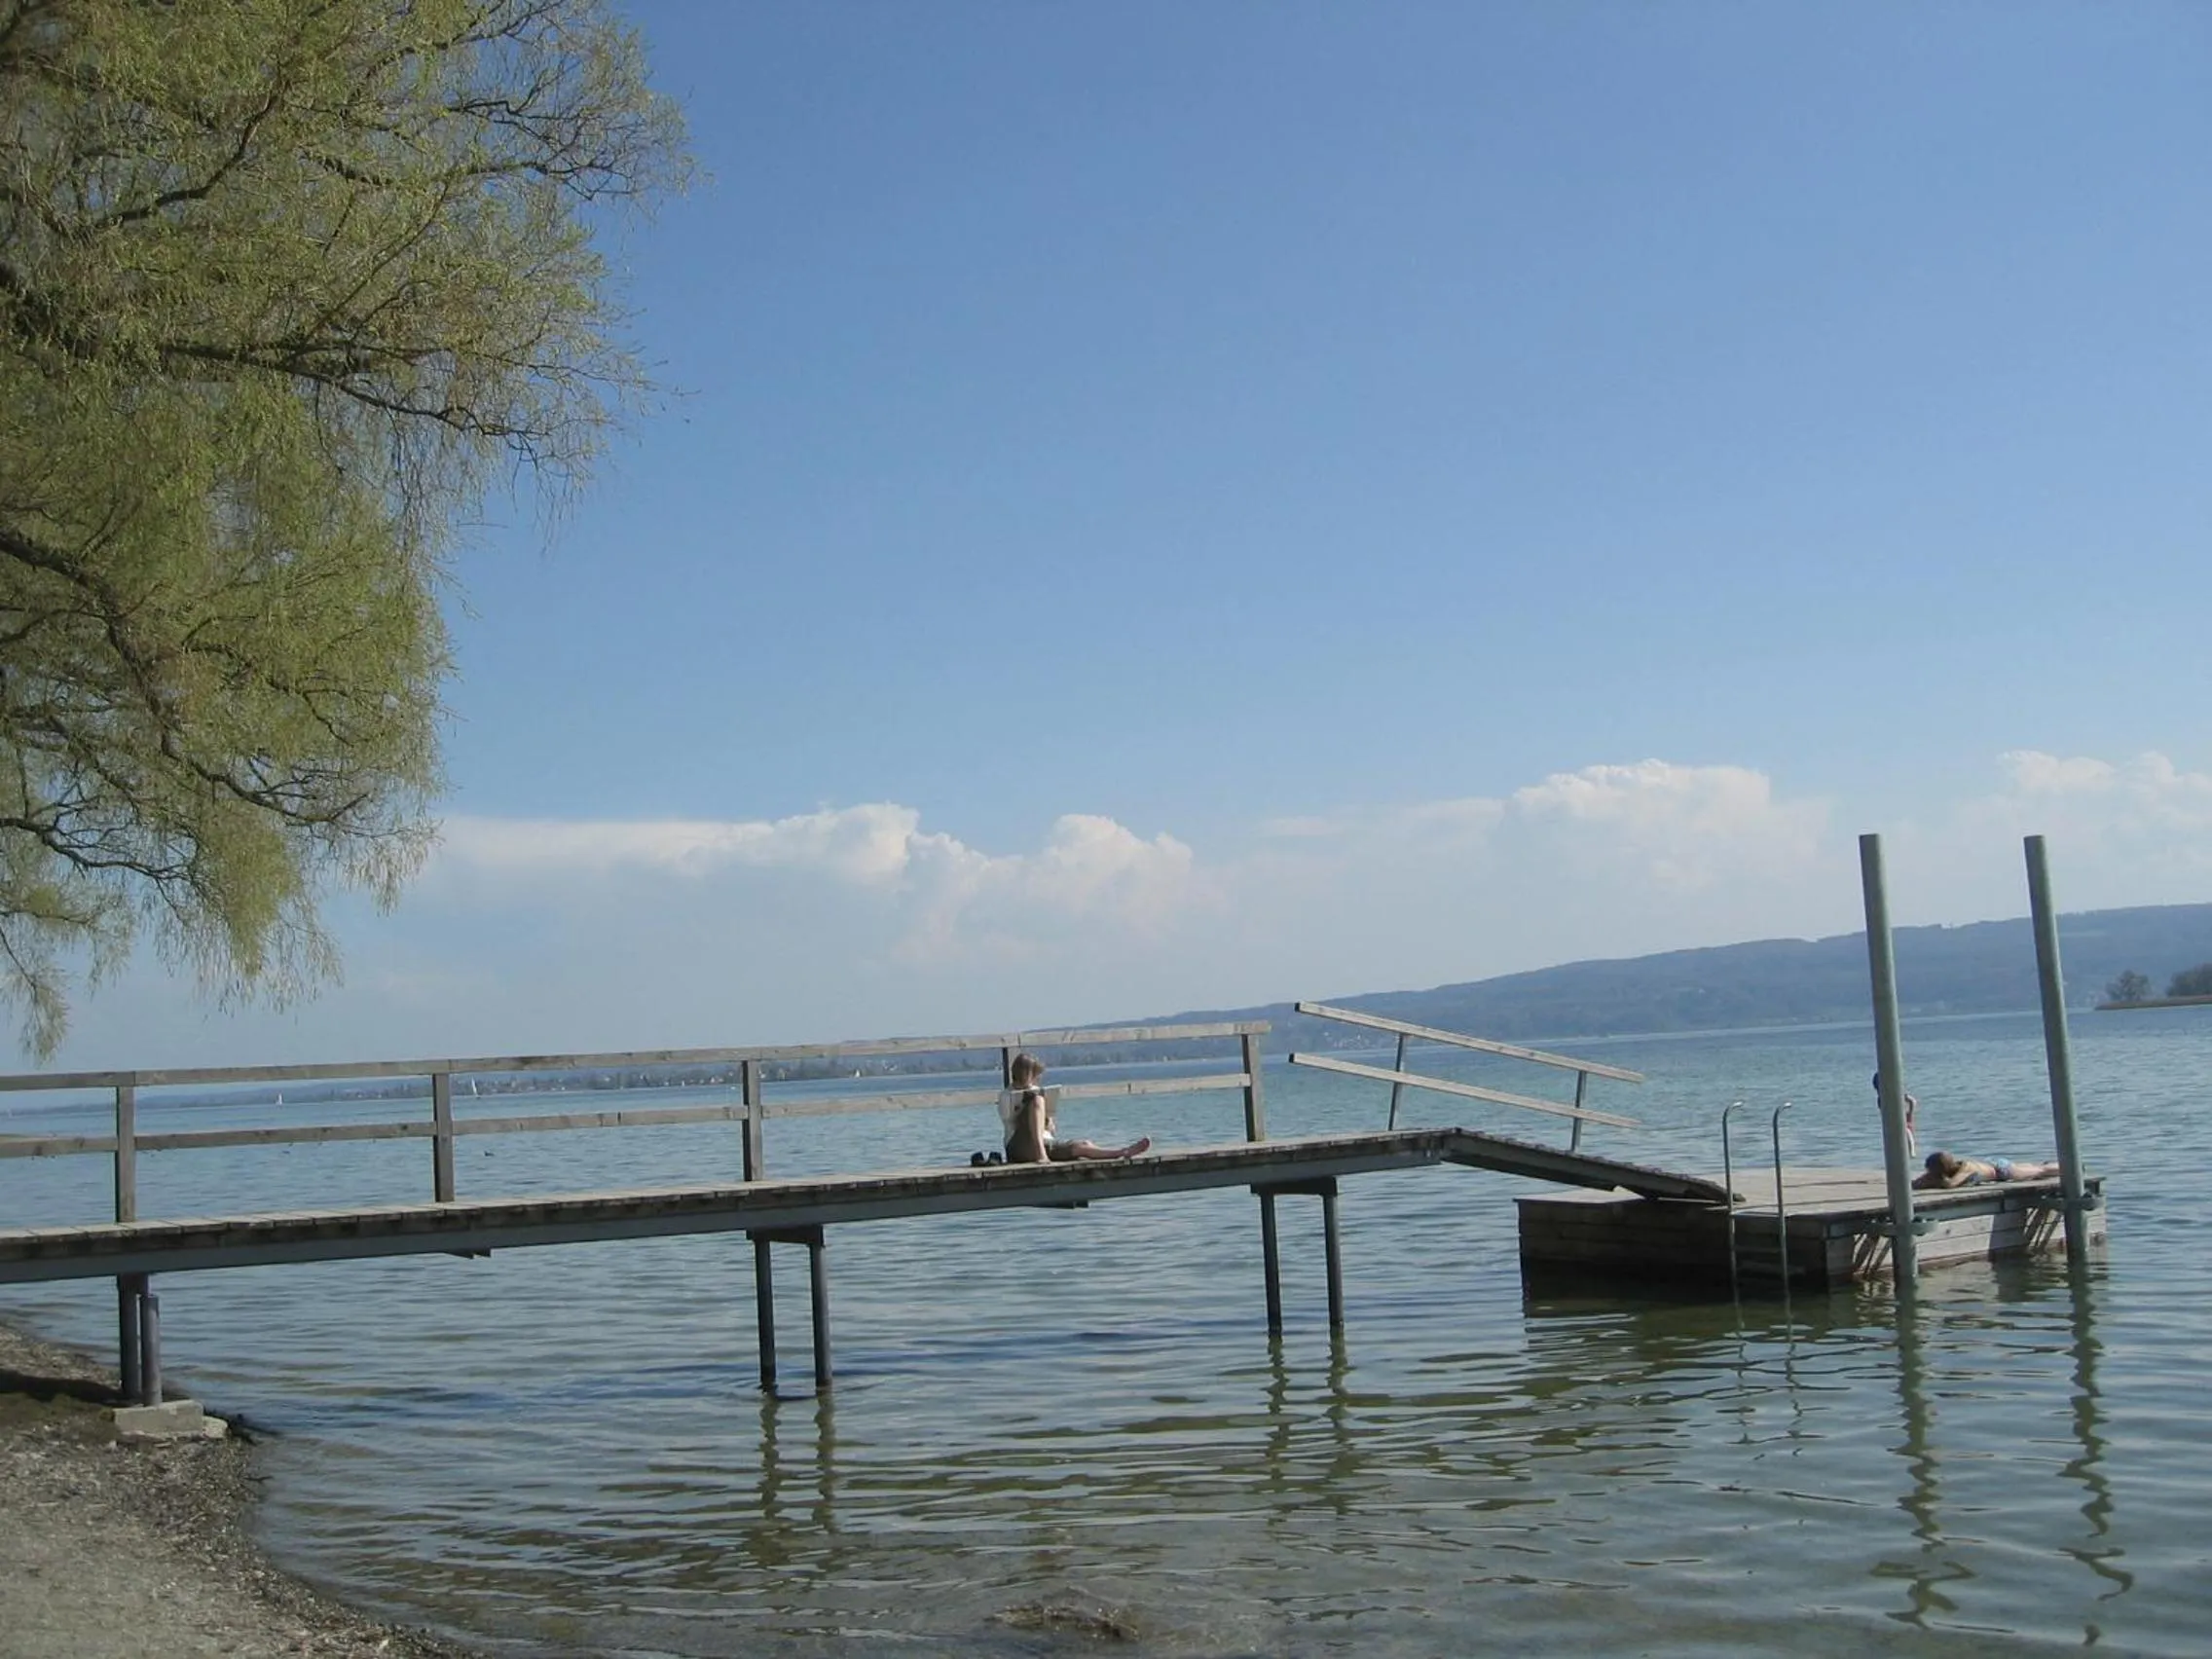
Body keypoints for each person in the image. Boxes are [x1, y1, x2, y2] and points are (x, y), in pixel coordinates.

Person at [998, 1052, 1151, 1164]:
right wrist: (1030, 1109)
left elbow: (1050, 1129)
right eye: (1034, 1075)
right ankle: (1041, 1154)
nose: (1037, 1079)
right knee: (1037, 1100)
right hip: (1018, 1146)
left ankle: (1122, 1152)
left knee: (1081, 1146)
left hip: (1045, 1143)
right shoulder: (1007, 1094)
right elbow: (1008, 1120)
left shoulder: (1036, 1089)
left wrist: (1048, 1120)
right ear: (1026, 1073)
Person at [1913, 1149, 2061, 1189]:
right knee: (2035, 1167)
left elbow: (1950, 1185)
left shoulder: (1965, 1169)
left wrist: (1930, 1180)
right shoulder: (1954, 1169)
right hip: (1994, 1165)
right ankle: (2056, 1164)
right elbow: (1916, 1183)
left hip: (2002, 1171)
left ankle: (2066, 1167)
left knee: (2041, 1171)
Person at [1872, 1072, 1918, 1155]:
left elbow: (1912, 1101)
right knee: (1898, 1141)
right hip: (1893, 1122)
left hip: (1902, 1119)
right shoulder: (1881, 1099)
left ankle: (1911, 1151)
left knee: (1906, 1131)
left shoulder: (1897, 1094)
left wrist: (1910, 1112)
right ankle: (1908, 1153)